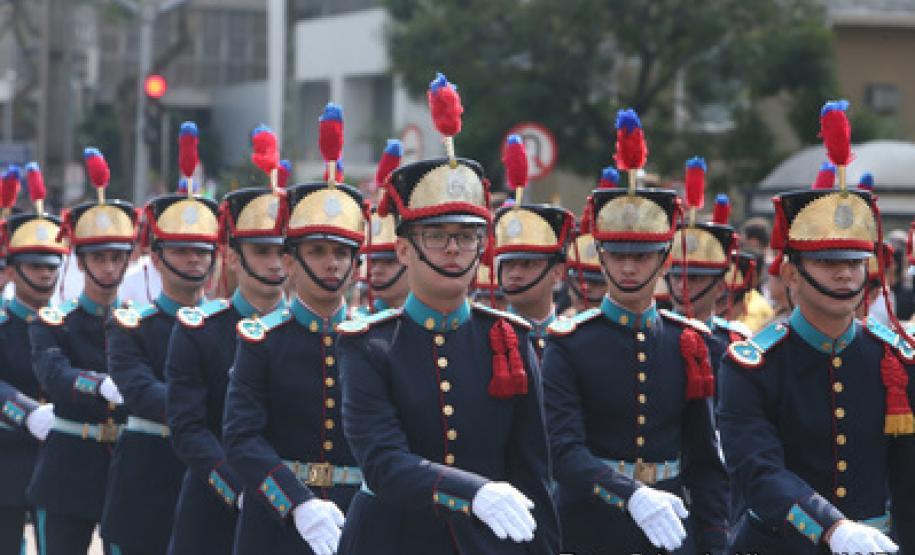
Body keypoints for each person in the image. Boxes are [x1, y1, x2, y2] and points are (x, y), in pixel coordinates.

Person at [336, 72, 559, 555]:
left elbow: (531, 469)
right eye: (437, 236)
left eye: (467, 236)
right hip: (392, 539)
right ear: (403, 250)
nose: (454, 249)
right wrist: (473, 491)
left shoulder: (508, 336)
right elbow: (383, 461)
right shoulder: (367, 345)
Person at [719, 107, 915, 553]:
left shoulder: (894, 360)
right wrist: (832, 527)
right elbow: (759, 472)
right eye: (828, 263)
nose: (845, 276)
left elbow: (908, 483)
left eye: (853, 263)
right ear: (790, 275)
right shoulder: (752, 365)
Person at [542, 110, 728, 555]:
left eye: (642, 256)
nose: (628, 267)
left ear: (665, 260)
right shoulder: (570, 343)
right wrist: (631, 495)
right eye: (617, 254)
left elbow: (704, 458)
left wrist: (715, 539)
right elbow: (564, 452)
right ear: (600, 258)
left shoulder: (689, 341)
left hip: (672, 532)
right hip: (589, 529)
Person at [224, 108, 368, 555]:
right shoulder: (261, 340)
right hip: (277, 520)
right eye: (318, 251)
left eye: (343, 253)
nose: (332, 263)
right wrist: (297, 503)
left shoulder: (376, 340)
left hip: (358, 518)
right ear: (289, 263)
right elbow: (242, 437)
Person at [166, 185, 288, 554]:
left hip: (294, 509)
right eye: (262, 252)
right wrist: (246, 490)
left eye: (283, 251)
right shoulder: (200, 330)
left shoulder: (306, 332)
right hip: (216, 504)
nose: (275, 263)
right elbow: (188, 429)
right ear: (233, 258)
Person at [101, 186, 219, 555]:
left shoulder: (225, 326)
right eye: (181, 250)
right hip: (147, 475)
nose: (193, 260)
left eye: (201, 250)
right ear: (155, 257)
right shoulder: (131, 325)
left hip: (208, 475)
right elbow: (140, 391)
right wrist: (201, 412)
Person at [29, 149, 136, 555]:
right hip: (68, 467)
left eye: (117, 257)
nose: (109, 267)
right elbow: (54, 375)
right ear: (80, 259)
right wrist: (100, 386)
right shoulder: (54, 322)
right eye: (99, 257)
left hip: (126, 469)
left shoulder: (138, 323)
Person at [0, 162, 66, 554]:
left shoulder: (67, 325)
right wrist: (25, 412)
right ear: (12, 271)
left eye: (50, 266)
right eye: (34, 266)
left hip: (59, 461)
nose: (44, 275)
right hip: (6, 460)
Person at [493, 197, 572, 356]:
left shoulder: (574, 339)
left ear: (557, 272)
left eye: (528, 264)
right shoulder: (487, 337)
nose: (515, 274)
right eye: (508, 264)